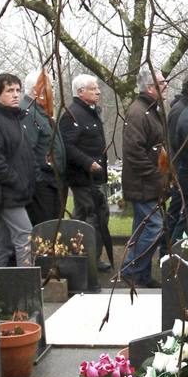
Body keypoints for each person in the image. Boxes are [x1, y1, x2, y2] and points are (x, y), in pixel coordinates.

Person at [119, 68, 169, 286]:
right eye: (162, 82)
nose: (166, 85)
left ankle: (141, 275)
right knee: (154, 227)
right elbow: (134, 152)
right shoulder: (138, 112)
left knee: (142, 228)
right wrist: (155, 176)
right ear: (150, 87)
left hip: (150, 183)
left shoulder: (152, 110)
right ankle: (130, 270)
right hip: (142, 183)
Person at [0, 73, 36, 268]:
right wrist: (17, 181)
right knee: (25, 238)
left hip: (16, 191)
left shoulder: (16, 119)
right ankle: (28, 289)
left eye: (18, 90)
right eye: (9, 91)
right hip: (7, 192)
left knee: (2, 245)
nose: (15, 95)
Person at [60, 74, 114, 270]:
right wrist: (88, 162)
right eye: (93, 88)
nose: (98, 91)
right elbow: (67, 145)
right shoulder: (71, 114)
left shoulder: (90, 112)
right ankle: (87, 259)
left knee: (90, 216)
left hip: (95, 177)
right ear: (80, 92)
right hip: (83, 179)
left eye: (97, 88)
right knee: (92, 216)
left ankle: (86, 258)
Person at [24, 71, 67, 226]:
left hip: (52, 182)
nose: (53, 91)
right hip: (42, 186)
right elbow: (28, 151)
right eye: (50, 87)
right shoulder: (29, 113)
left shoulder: (42, 112)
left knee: (54, 227)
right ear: (37, 90)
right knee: (45, 228)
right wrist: (40, 180)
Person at [166, 74, 188, 238]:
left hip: (183, 171)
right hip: (182, 171)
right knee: (177, 216)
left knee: (181, 215)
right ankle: (167, 253)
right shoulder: (181, 111)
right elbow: (175, 144)